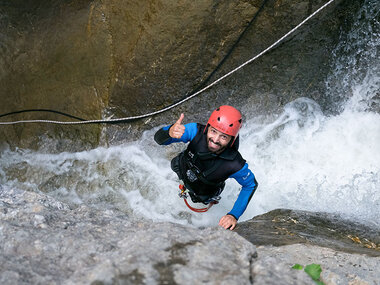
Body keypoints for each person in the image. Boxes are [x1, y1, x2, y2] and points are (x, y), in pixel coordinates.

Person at [154, 105, 258, 230]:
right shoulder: (195, 131)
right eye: (213, 131)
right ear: (207, 127)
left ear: (232, 139)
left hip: (202, 195)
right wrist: (169, 131)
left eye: (223, 136)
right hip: (179, 171)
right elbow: (159, 140)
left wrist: (233, 215)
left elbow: (250, 185)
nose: (215, 140)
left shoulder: (234, 164)